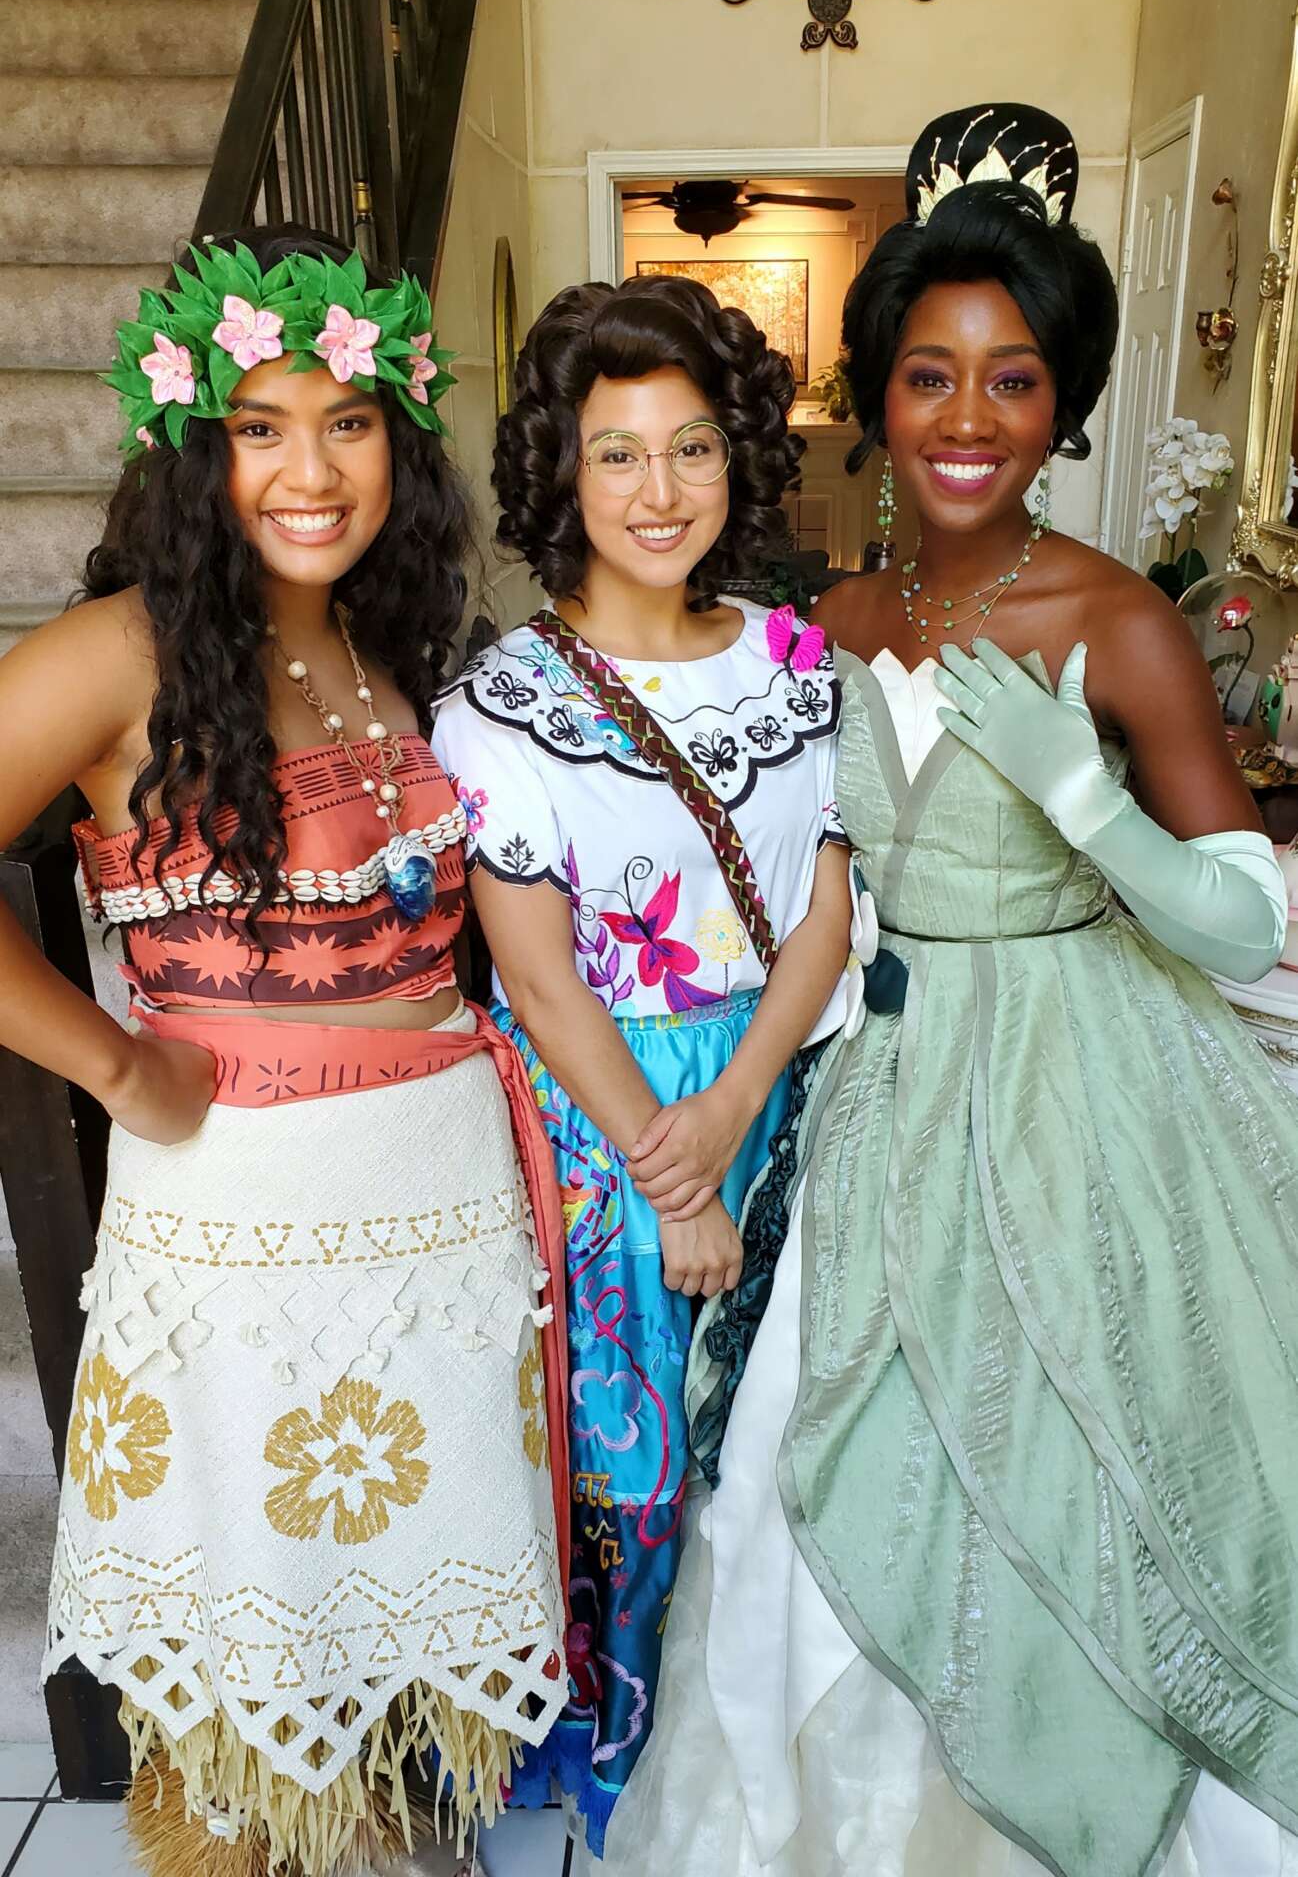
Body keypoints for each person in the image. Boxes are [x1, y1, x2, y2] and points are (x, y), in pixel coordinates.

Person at [596, 107, 1298, 1877]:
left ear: (1061, 407)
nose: (967, 418)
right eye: (928, 376)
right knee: (838, 1435)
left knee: (1074, 1446)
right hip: (890, 1081)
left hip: (1084, 1087)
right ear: (876, 398)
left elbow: (1240, 922)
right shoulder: (829, 617)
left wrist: (1090, 808)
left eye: (1011, 380)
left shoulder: (1118, 620)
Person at [0, 226, 571, 1877]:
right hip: (245, 1206)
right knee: (256, 1601)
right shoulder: (118, 653)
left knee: (387, 1578)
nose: (311, 472)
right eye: (261, 426)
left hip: (438, 1184)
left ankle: (376, 1832)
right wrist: (114, 1068)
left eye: (350, 423)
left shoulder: (385, 641)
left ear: (402, 440)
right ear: (196, 447)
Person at [430, 275, 851, 1852]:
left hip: (777, 1083)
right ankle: (622, 1740)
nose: (657, 490)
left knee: (774, 1430)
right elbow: (538, 979)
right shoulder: (502, 706)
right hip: (599, 1124)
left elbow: (826, 908)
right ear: (562, 470)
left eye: (690, 448)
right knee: (631, 1450)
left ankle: (749, 1739)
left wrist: (735, 1105)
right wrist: (673, 1180)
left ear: (738, 458)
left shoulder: (797, 665)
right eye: (616, 453)